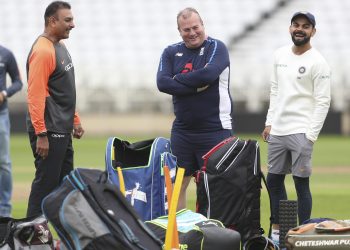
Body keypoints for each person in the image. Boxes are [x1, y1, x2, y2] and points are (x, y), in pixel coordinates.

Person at [261, 11, 331, 244]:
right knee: (273, 181)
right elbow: (275, 90)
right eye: (296, 25)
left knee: (301, 184)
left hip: (301, 131)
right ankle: (280, 233)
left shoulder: (318, 61)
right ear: (290, 28)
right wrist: (269, 122)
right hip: (278, 129)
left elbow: (323, 101)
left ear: (313, 31)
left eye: (306, 26)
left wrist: (310, 136)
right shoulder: (279, 55)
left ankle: (303, 236)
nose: (300, 29)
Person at [157, 7, 233, 210]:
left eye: (195, 27)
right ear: (179, 31)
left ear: (202, 25)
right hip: (183, 131)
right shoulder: (171, 52)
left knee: (214, 187)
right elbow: (162, 83)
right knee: (176, 185)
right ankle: (180, 234)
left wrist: (178, 80)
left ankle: (214, 236)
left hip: (215, 129)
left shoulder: (217, 47)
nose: (192, 33)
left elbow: (208, 74)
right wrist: (195, 86)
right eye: (186, 30)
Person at [26, 1, 84, 217]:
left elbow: (64, 90)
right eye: (67, 20)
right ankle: (28, 237)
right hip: (49, 131)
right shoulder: (42, 51)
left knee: (65, 186)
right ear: (52, 21)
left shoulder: (59, 46)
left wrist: (74, 120)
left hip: (62, 127)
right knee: (45, 186)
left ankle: (61, 237)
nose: (72, 25)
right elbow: (35, 95)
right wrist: (41, 133)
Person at [0, 45, 23, 217]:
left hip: (1, 114)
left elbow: (18, 82)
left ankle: (4, 210)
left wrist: (4, 93)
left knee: (4, 162)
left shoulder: (6, 54)